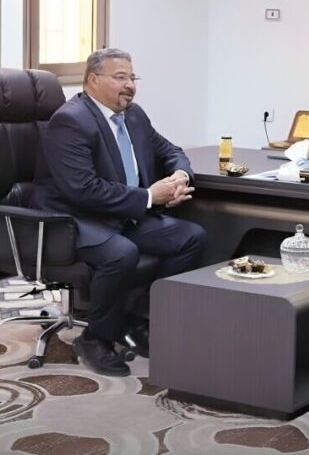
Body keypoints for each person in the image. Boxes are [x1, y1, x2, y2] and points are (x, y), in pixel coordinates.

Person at [31, 48, 207, 377]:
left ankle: (140, 319)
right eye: (120, 77)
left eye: (133, 77)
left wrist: (180, 175)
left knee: (190, 237)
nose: (130, 85)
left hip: (118, 214)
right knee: (121, 253)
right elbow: (82, 189)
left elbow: (170, 150)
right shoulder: (71, 121)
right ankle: (95, 339)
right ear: (93, 80)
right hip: (70, 219)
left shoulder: (133, 115)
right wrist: (149, 197)